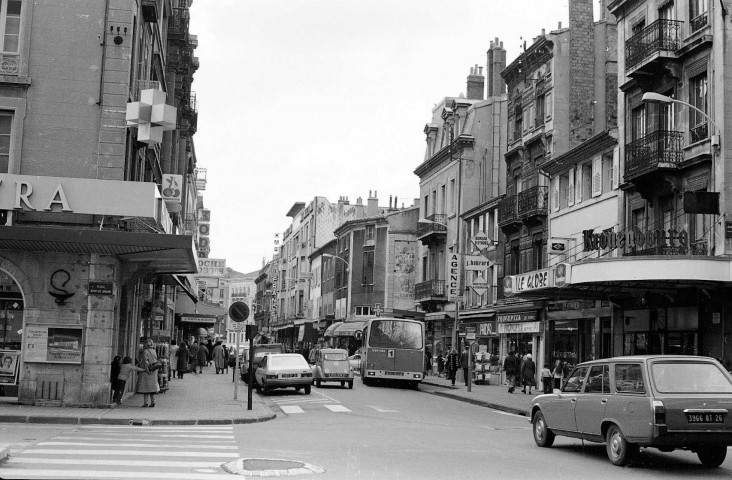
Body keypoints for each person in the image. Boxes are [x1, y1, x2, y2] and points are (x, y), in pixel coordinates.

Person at [136, 338, 160, 407]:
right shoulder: (154, 351)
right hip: (154, 370)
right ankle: (153, 401)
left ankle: (145, 402)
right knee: (152, 388)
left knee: (145, 387)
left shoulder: (145, 351)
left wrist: (147, 370)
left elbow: (145, 361)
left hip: (147, 371)